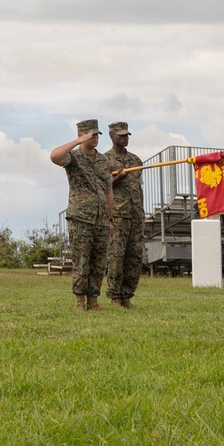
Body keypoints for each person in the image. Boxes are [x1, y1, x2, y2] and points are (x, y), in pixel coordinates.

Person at [50, 120, 113, 312]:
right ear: (81, 135)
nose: (94, 138)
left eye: (96, 134)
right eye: (90, 134)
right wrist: (77, 141)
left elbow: (109, 189)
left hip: (101, 218)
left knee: (99, 262)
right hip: (81, 217)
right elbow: (54, 156)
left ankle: (93, 300)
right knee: (81, 260)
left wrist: (111, 218)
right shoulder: (74, 157)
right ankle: (79, 301)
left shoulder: (103, 160)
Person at [105, 122, 144, 309]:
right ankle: (114, 297)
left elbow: (139, 188)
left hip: (136, 214)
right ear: (112, 136)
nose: (124, 138)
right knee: (116, 257)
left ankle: (127, 295)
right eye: (120, 135)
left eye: (127, 135)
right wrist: (117, 179)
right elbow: (101, 189)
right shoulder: (104, 161)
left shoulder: (136, 161)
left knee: (134, 257)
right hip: (118, 214)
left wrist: (142, 210)